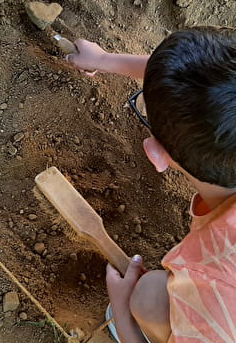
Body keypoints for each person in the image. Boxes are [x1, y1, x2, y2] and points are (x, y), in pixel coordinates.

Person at [66, 27, 236, 343]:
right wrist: (103, 59)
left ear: (156, 156)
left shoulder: (215, 285)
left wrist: (125, 316)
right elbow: (203, 89)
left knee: (149, 299)